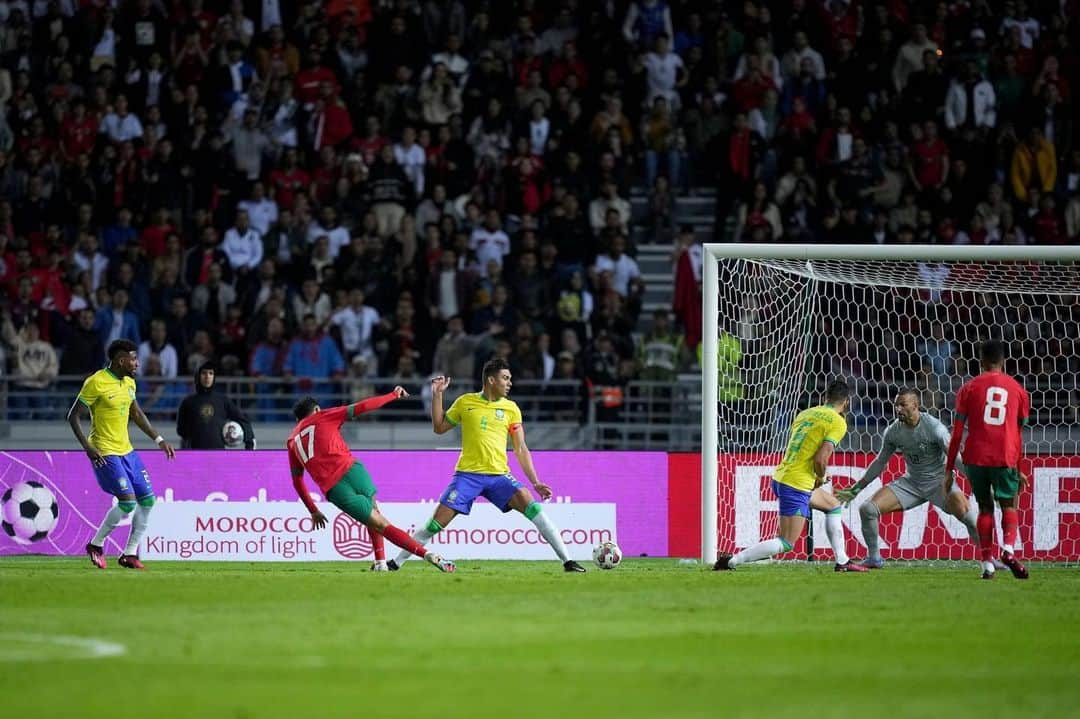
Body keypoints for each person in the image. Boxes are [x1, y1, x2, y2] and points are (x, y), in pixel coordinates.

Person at [389, 358, 587, 572]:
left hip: (500, 476)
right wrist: (438, 395)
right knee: (434, 525)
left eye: (510, 378)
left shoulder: (511, 409)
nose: (509, 383)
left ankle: (568, 561)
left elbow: (520, 448)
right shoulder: (465, 402)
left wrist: (535, 482)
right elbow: (439, 428)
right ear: (491, 380)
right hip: (467, 476)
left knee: (535, 509)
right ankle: (395, 563)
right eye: (505, 378)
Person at [287, 388, 455, 573]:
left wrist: (313, 510)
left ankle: (428, 555)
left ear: (298, 419)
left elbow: (297, 480)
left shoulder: (292, 440)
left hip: (335, 488)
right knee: (376, 514)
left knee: (379, 524)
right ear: (317, 409)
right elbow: (362, 406)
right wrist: (392, 395)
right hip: (354, 470)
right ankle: (381, 563)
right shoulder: (324, 415)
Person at [715, 380, 868, 572]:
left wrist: (818, 474)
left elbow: (806, 449)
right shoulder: (838, 422)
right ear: (846, 402)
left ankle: (843, 561)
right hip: (796, 484)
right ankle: (731, 561)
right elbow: (821, 459)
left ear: (824, 398)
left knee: (833, 506)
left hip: (783, 476)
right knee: (786, 542)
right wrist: (820, 477)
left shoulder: (805, 413)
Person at [835, 389, 980, 568]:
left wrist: (976, 480)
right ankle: (874, 558)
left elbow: (955, 458)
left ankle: (989, 560)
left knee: (971, 520)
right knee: (867, 509)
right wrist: (856, 489)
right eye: (896, 405)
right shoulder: (893, 431)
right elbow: (880, 462)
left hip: (938, 483)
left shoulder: (934, 428)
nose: (898, 409)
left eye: (903, 404)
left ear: (915, 405)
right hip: (911, 483)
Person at [67, 339, 176, 570]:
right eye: (133, 359)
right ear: (120, 360)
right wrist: (87, 446)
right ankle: (96, 545)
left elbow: (136, 413)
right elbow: (73, 416)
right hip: (105, 451)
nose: (137, 363)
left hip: (127, 451)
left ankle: (129, 554)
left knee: (147, 500)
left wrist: (159, 439)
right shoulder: (96, 382)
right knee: (127, 503)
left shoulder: (129, 382)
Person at [944, 340, 1031, 580]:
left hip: (976, 457)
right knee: (1008, 505)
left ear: (981, 360)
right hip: (1005, 456)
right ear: (1003, 360)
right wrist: (1019, 467)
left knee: (984, 508)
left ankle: (986, 565)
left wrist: (949, 469)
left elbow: (958, 433)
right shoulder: (1018, 390)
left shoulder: (969, 388)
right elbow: (1018, 434)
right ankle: (1009, 549)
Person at [176, 361, 255, 449]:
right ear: (198, 376)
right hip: (195, 453)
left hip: (218, 454)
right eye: (204, 373)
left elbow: (242, 420)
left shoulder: (223, 400)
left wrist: (250, 441)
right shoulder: (188, 402)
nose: (207, 376)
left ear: (214, 377)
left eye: (211, 373)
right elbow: (181, 430)